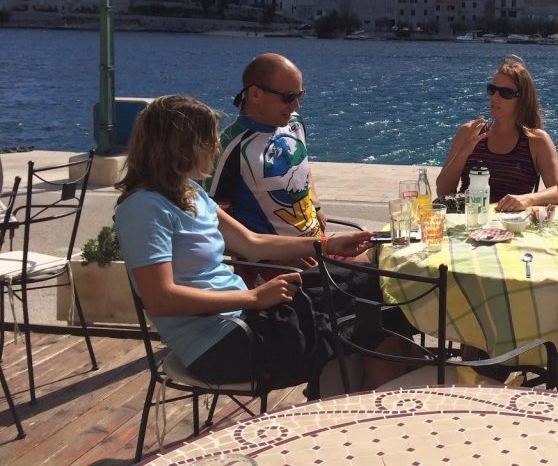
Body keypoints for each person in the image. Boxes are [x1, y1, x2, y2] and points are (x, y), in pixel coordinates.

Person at [115, 95, 406, 392]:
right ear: (179, 148)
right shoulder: (144, 209)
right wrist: (254, 298)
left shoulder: (188, 191)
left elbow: (252, 243)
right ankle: (365, 403)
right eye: (208, 142)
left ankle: (364, 397)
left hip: (248, 318)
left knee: (371, 285)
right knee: (371, 319)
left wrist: (328, 244)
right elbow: (160, 299)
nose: (216, 149)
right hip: (223, 345)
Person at [206, 53, 324, 239]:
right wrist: (271, 254)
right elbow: (215, 220)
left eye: (300, 95)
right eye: (288, 97)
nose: (297, 105)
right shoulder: (228, 147)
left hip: (317, 245)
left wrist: (315, 204)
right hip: (274, 263)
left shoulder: (295, 123)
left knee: (379, 253)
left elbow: (301, 166)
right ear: (255, 95)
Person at [436, 54, 558, 212]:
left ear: (522, 99)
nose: (495, 97)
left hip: (511, 226)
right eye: (492, 90)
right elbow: (442, 191)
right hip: (470, 222)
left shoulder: (536, 140)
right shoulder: (469, 132)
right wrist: (464, 153)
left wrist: (529, 198)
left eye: (506, 93)